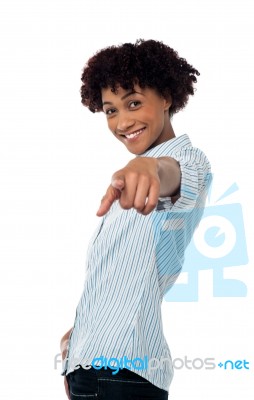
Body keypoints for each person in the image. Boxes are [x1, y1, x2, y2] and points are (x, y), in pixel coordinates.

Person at [60, 39, 212, 400]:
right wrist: (82, 331)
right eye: (111, 111)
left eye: (133, 103)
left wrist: (151, 167)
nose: (122, 122)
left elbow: (174, 175)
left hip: (121, 376)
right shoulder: (129, 180)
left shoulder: (186, 162)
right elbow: (125, 275)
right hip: (97, 369)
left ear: (166, 98)